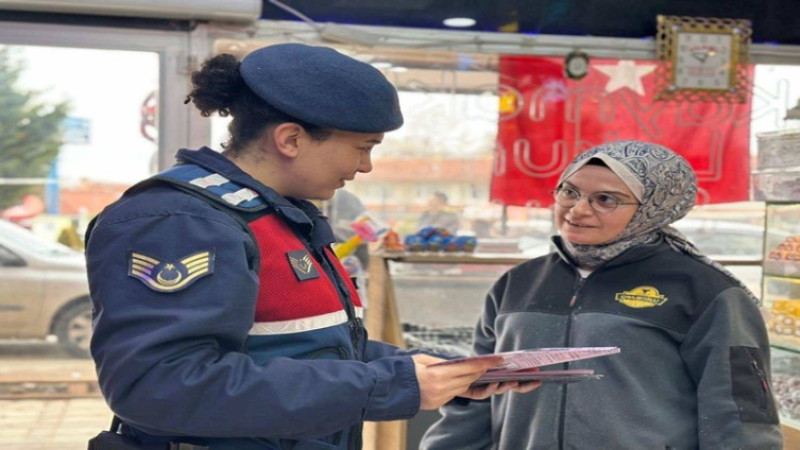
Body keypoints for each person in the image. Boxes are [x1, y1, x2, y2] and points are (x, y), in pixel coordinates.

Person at [84, 43, 536, 450]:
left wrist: (434, 372)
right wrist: (385, 384)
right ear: (291, 139)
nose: (366, 166)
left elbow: (313, 349)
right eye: (363, 147)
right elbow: (162, 387)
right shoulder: (182, 223)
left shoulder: (276, 217)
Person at [421, 140, 783, 449]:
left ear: (653, 209)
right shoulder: (518, 282)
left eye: (606, 199)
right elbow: (475, 394)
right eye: (569, 192)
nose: (578, 210)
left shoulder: (706, 291)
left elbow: (741, 414)